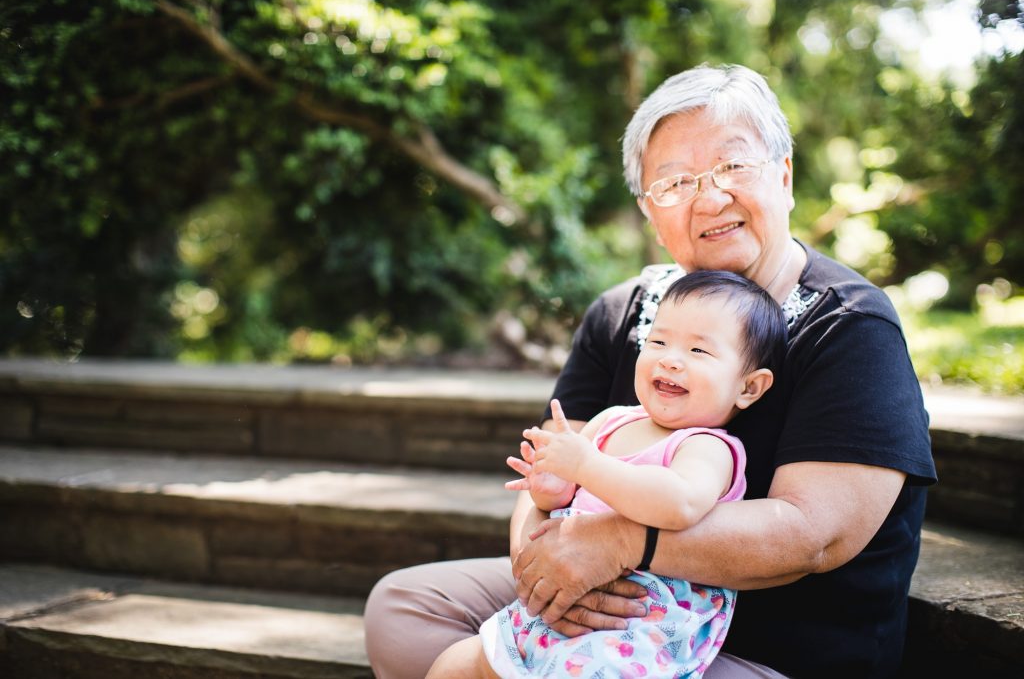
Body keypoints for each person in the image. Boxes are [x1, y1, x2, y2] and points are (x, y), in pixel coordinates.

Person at [364, 63, 937, 678]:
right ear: (648, 211)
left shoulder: (848, 326)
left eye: (733, 166)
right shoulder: (622, 313)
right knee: (404, 608)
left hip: (769, 644)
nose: (710, 197)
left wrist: (618, 543)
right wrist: (547, 568)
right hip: (608, 604)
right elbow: (554, 464)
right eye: (676, 182)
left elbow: (812, 535)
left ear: (785, 175)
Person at [427, 271, 786, 678]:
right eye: (659, 341)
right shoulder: (611, 421)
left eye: (699, 351)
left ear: (749, 388)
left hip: (634, 623)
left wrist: (587, 466)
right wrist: (551, 488)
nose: (670, 358)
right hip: (561, 598)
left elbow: (677, 504)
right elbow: (568, 496)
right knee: (455, 665)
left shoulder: (707, 448)